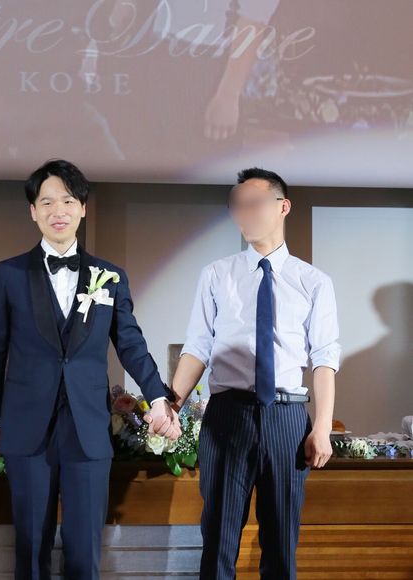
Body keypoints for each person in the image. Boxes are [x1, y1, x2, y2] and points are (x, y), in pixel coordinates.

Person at [0, 159, 180, 580]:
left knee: (85, 551)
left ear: (83, 208)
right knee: (30, 549)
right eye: (47, 202)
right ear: (33, 211)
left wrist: (159, 397)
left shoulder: (111, 277)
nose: (58, 211)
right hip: (27, 427)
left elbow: (131, 344)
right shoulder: (7, 275)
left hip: (87, 428)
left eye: (68, 201)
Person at [170, 167, 341, 579]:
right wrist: (170, 405)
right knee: (218, 541)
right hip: (227, 415)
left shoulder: (313, 282)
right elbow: (197, 346)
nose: (243, 213)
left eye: (254, 203)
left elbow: (323, 359)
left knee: (281, 544)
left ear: (283, 207)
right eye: (237, 205)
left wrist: (321, 427)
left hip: (287, 417)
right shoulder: (216, 274)